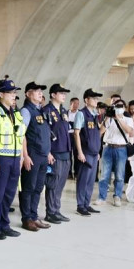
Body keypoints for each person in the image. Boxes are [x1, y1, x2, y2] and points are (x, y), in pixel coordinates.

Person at [0, 79, 23, 239]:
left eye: (15, 93)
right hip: (1, 159)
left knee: (8, 194)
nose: (14, 95)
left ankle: (4, 224)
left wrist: (21, 156)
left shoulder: (14, 113)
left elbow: (20, 136)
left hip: (14, 158)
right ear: (1, 94)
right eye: (10, 93)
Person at [19, 82, 53, 231]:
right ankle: (27, 218)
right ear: (28, 94)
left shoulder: (39, 111)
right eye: (37, 91)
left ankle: (34, 216)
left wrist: (48, 153)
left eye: (41, 91)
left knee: (38, 187)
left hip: (43, 156)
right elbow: (21, 135)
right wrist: (25, 155)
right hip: (32, 155)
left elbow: (44, 134)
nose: (40, 93)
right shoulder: (26, 111)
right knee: (28, 187)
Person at [43, 84, 73, 223]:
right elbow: (45, 133)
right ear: (53, 95)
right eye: (61, 93)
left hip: (65, 151)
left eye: (64, 93)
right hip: (55, 152)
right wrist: (48, 152)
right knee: (53, 183)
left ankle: (56, 210)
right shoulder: (47, 110)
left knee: (60, 184)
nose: (64, 95)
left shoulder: (63, 110)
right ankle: (50, 212)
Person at [95, 99, 134, 207]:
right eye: (116, 106)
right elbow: (100, 131)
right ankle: (101, 197)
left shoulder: (128, 119)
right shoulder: (109, 119)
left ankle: (117, 196)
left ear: (124, 108)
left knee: (119, 175)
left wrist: (119, 118)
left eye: (120, 106)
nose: (118, 108)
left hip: (121, 149)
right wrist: (107, 117)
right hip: (108, 148)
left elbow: (129, 131)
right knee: (104, 175)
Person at [73, 89, 103, 216]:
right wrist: (80, 152)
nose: (96, 101)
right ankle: (80, 205)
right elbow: (76, 133)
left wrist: (97, 152)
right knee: (83, 180)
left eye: (97, 99)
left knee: (91, 180)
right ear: (86, 100)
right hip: (85, 152)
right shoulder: (81, 114)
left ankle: (86, 203)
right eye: (94, 98)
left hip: (94, 152)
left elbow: (98, 134)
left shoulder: (95, 115)